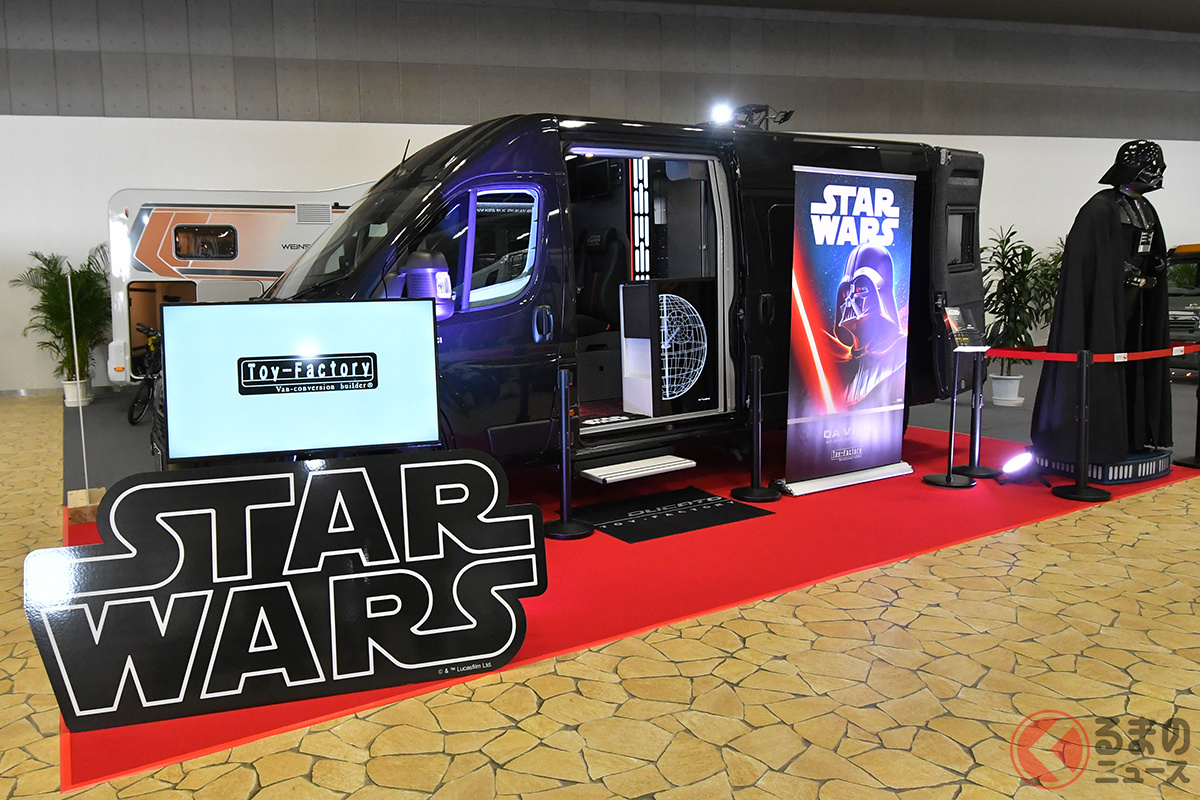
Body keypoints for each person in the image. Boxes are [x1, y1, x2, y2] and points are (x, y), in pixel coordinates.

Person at [1030, 140, 1172, 466]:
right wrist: (1121, 272)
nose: (1158, 174)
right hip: (1103, 308)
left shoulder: (1146, 209)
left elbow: (1147, 248)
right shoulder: (1100, 208)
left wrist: (1154, 268)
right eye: (1152, 167)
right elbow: (1090, 258)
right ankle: (1094, 442)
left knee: (1132, 356)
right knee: (1104, 357)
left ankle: (1134, 434)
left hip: (1135, 304)